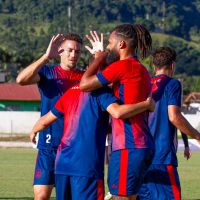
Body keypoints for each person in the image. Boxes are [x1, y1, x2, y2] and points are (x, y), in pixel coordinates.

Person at [30, 82, 155, 200]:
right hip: (86, 166)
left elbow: (44, 121)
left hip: (62, 165)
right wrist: (146, 105)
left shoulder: (70, 92)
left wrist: (33, 131)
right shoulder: (102, 92)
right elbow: (117, 112)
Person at [80, 24, 154, 200]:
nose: (107, 47)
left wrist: (99, 57)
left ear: (121, 45)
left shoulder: (123, 66)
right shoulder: (141, 69)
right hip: (141, 143)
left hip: (128, 145)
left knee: (120, 196)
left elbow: (84, 84)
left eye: (110, 43)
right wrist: (102, 59)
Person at [16, 33, 83, 200]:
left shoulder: (85, 78)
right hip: (48, 146)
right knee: (41, 197)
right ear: (59, 51)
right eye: (69, 50)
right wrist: (45, 57)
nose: (73, 55)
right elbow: (21, 80)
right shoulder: (47, 73)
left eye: (77, 51)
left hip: (73, 148)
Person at [137, 47, 200, 200]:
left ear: (153, 66)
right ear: (172, 65)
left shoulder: (143, 85)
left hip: (139, 158)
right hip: (161, 157)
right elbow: (175, 117)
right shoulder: (172, 84)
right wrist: (197, 135)